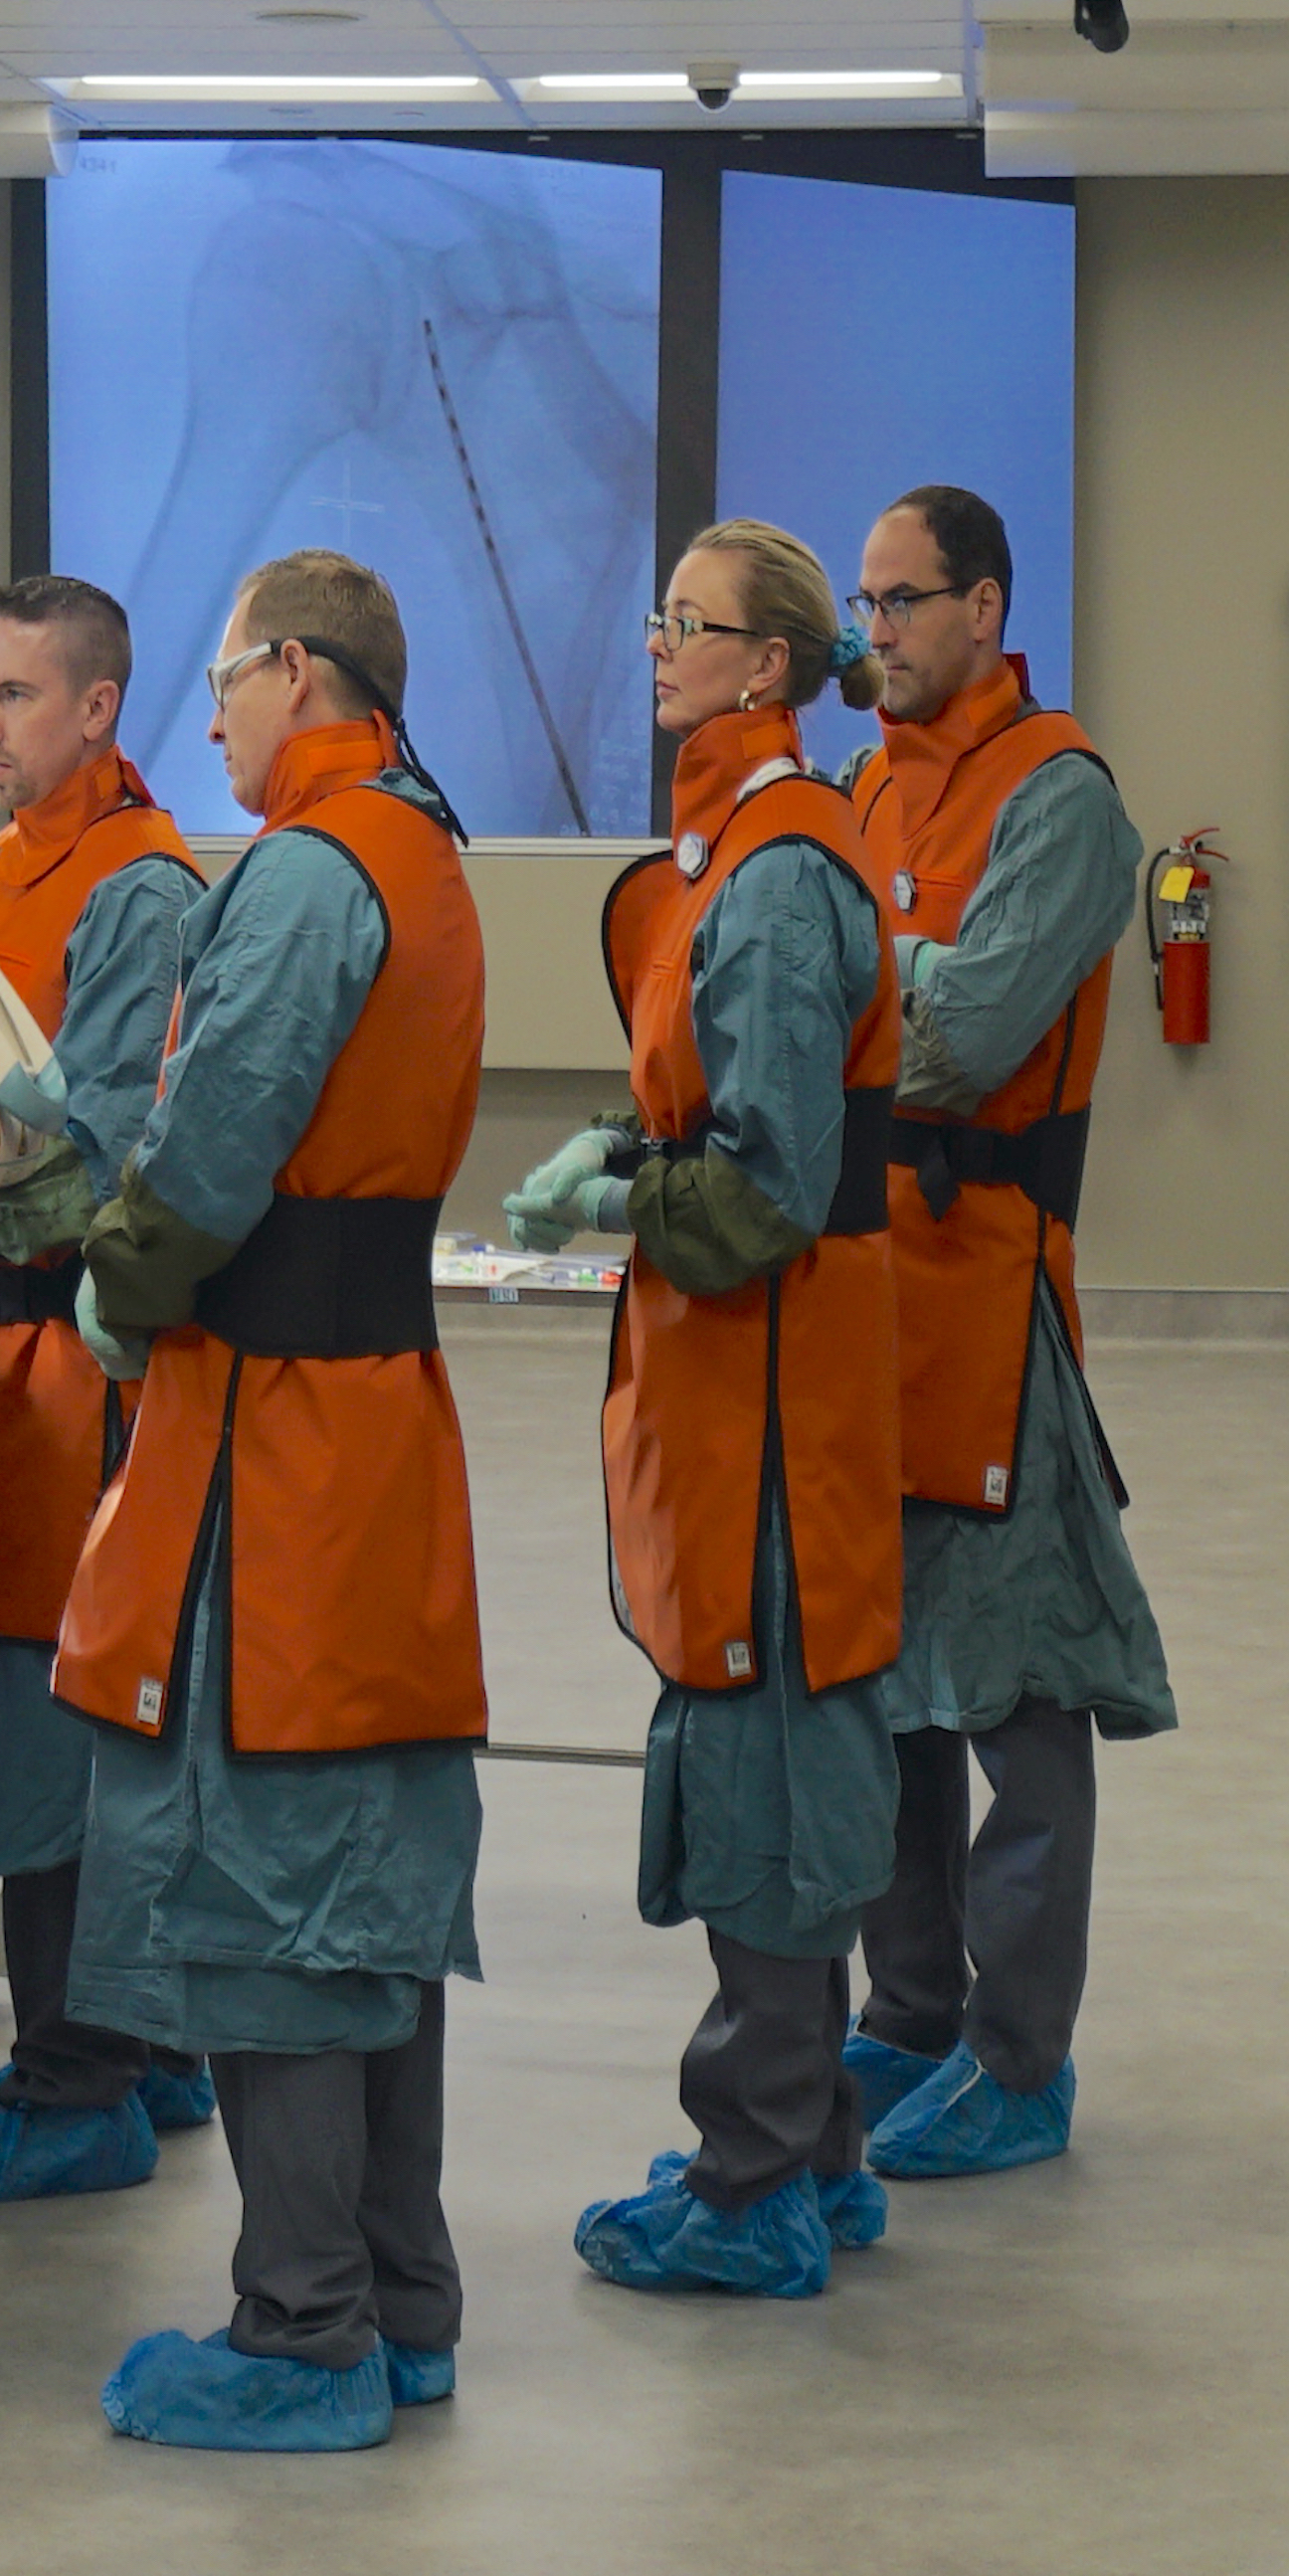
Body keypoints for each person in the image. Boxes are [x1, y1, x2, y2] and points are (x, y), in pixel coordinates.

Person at [63, 550, 490, 2454]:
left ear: (297, 670)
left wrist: (108, 1283)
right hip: (374, 1426)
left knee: (274, 1882)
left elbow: (206, 1155)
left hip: (280, 1450)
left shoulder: (309, 879)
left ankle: (300, 2327)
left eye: (224, 679)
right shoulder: (422, 852)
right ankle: (399, 2302)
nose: (212, 714)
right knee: (373, 1880)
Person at [507, 518, 905, 2300]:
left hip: (770, 1396)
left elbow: (760, 1196)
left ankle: (751, 2185)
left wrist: (619, 1191)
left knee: (763, 1749)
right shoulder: (733, 853)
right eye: (662, 612)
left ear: (771, 668)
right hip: (754, 1391)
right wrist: (634, 1142)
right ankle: (813, 2146)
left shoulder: (772, 874)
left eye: (694, 623)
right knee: (780, 1738)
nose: (658, 641)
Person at [838, 484, 1172, 2181]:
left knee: (1015, 1701)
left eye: (904, 601)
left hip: (991, 1296)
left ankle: (1020, 2056)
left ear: (985, 602)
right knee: (888, 1688)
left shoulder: (1064, 800)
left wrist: (849, 971)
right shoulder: (858, 785)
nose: (874, 631)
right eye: (866, 603)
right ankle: (907, 2014)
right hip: (859, 1301)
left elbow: (955, 1041)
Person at [0, 574, 217, 2205]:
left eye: (18, 698)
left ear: (98, 708)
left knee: (57, 1731)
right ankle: (146, 2042)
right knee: (53, 1712)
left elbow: (80, 1147)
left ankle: (76, 2074)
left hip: (72, 1373)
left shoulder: (145, 891)